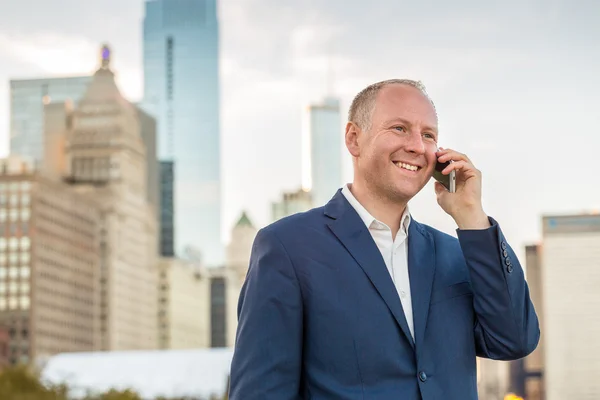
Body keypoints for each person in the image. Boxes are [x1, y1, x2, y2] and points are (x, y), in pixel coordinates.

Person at [228, 79, 540, 400]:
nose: (418, 146)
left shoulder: (456, 253)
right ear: (354, 139)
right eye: (399, 128)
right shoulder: (287, 247)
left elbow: (514, 340)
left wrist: (472, 215)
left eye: (428, 135)